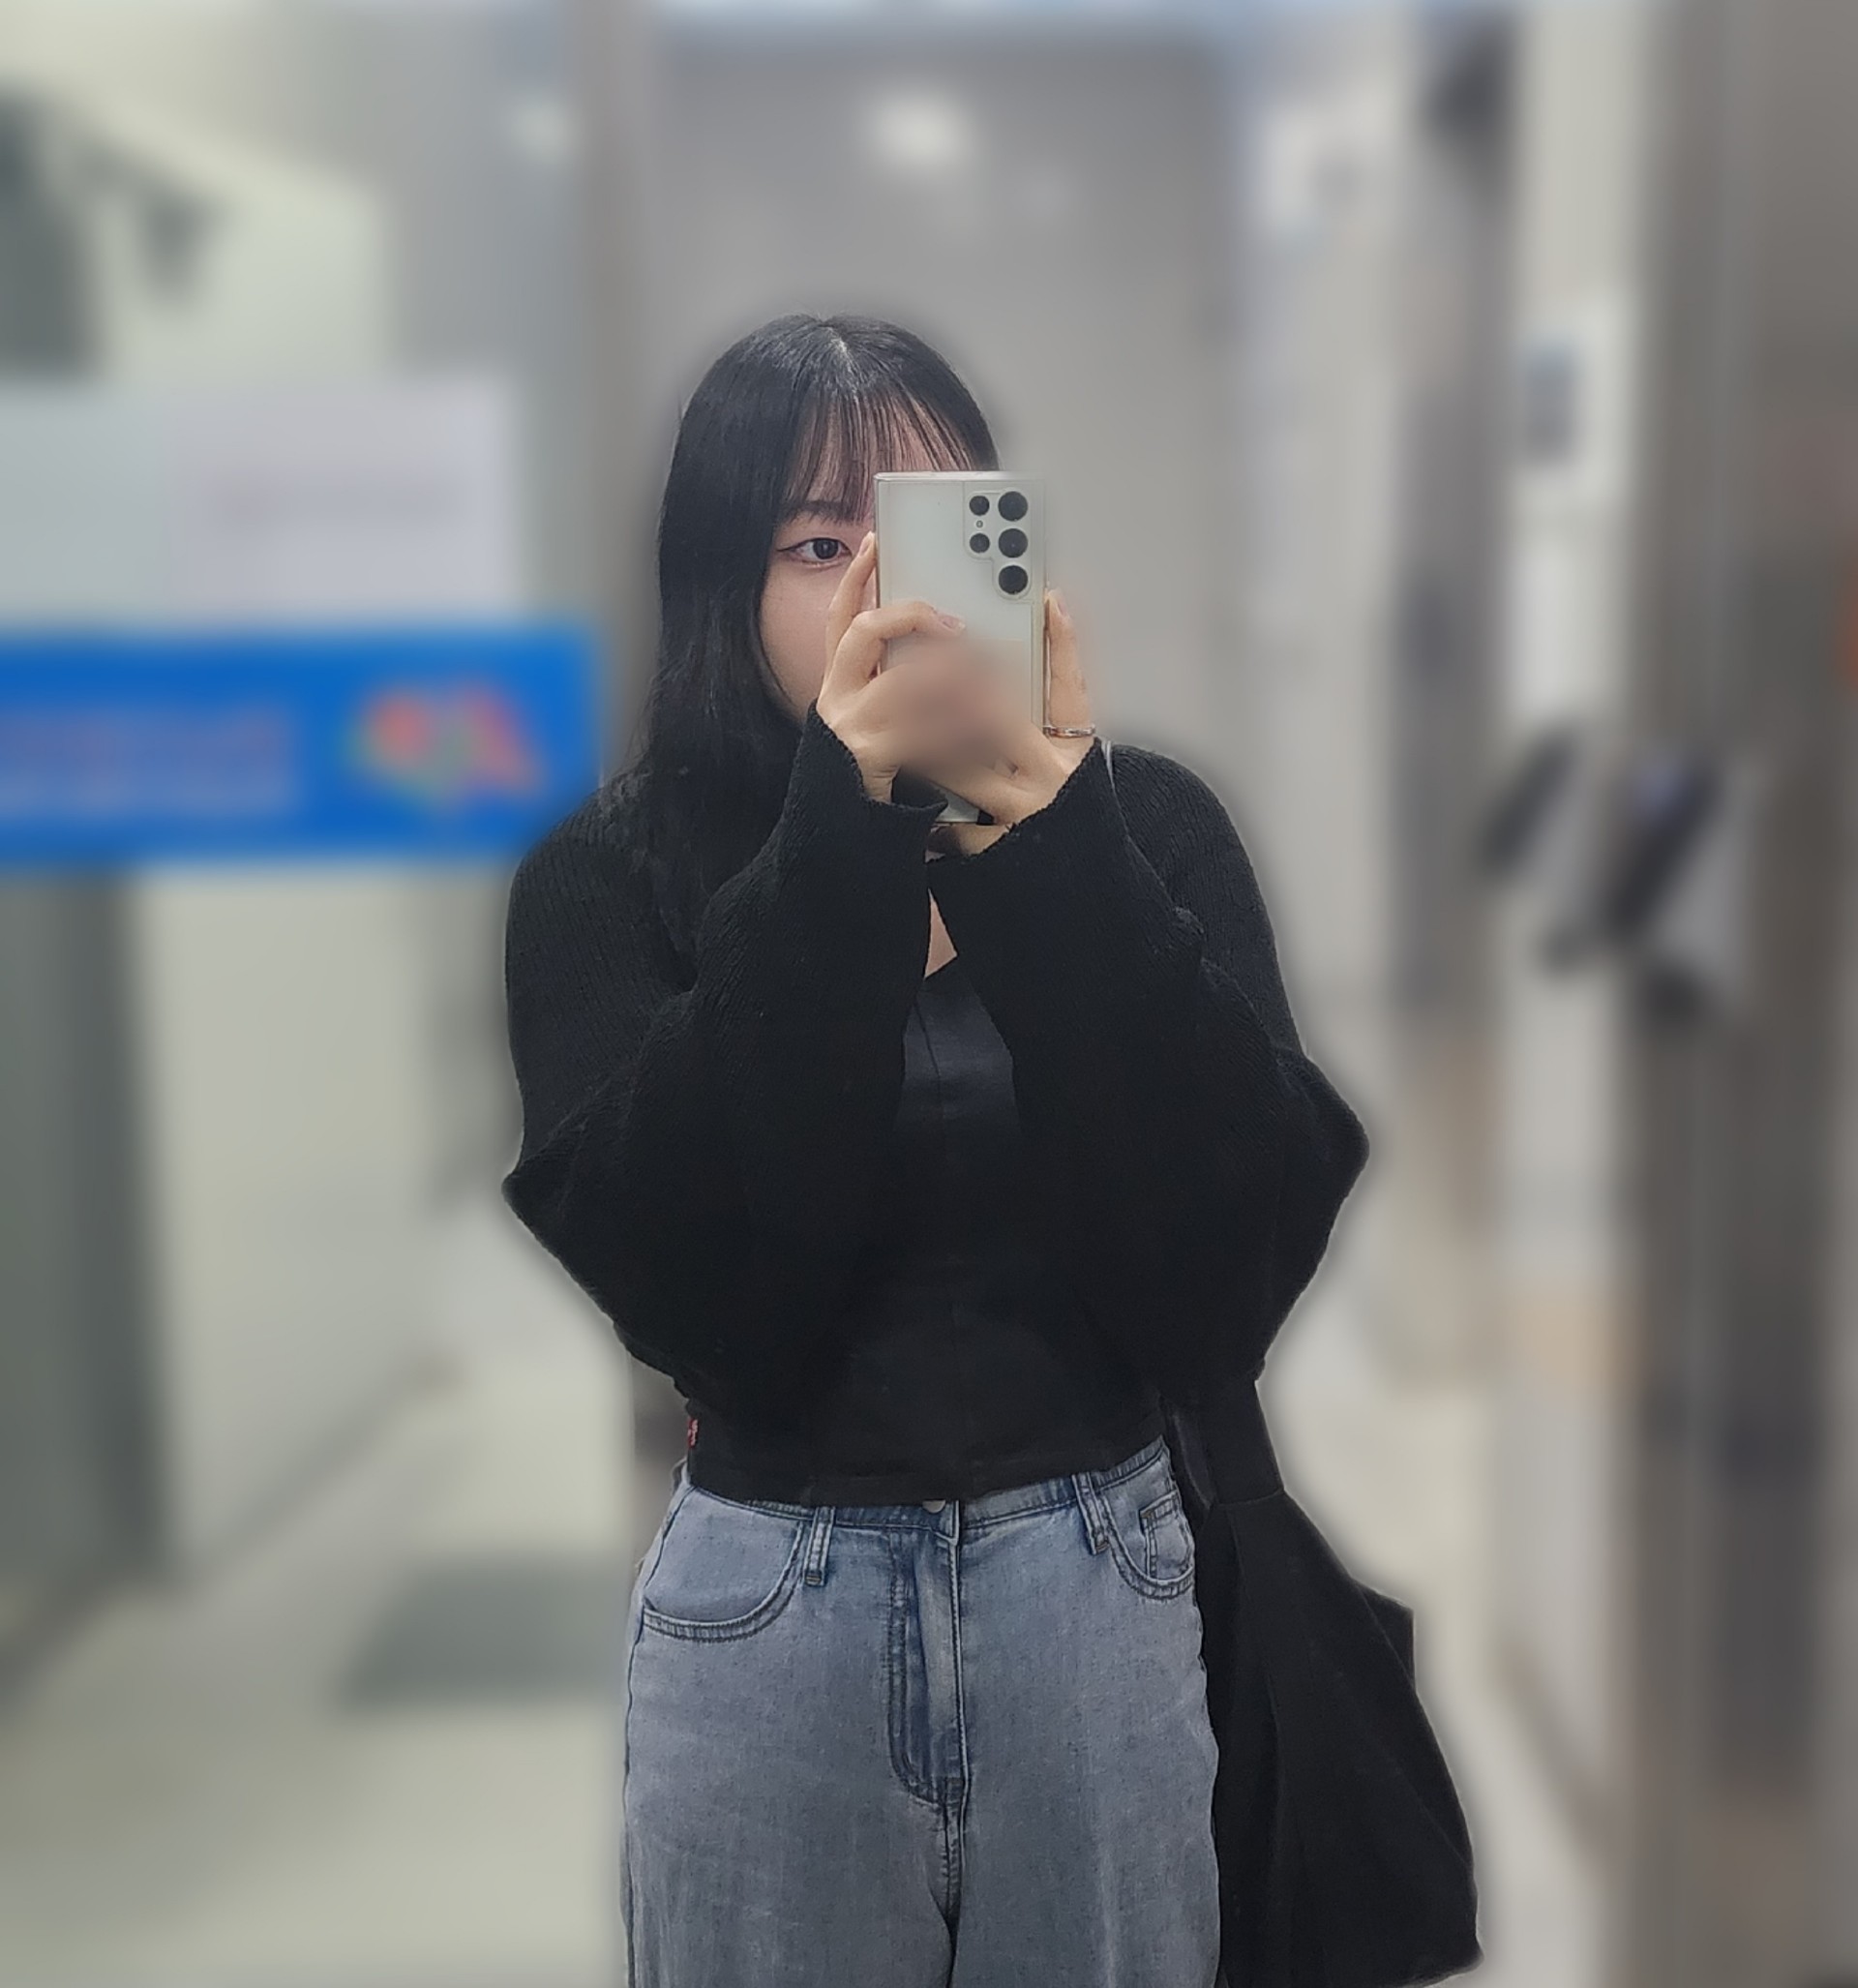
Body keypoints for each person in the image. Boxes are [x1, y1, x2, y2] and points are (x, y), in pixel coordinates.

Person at [496, 312, 1370, 1988]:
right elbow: (701, 1296)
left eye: (934, 529)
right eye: (822, 544)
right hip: (772, 1602)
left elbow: (1229, 1268)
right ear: (722, 583)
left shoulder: (1147, 831)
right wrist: (844, 832)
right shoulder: (611, 877)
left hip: (1101, 1581)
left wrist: (1058, 851)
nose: (883, 593)